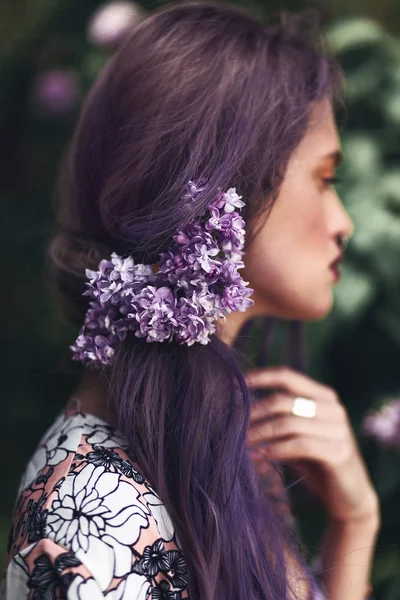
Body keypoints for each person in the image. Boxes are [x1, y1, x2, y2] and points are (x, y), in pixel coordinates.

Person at [1, 2, 380, 599]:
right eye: (324, 178)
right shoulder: (94, 513)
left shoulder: (218, 449)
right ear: (230, 187)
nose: (344, 224)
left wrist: (355, 521)